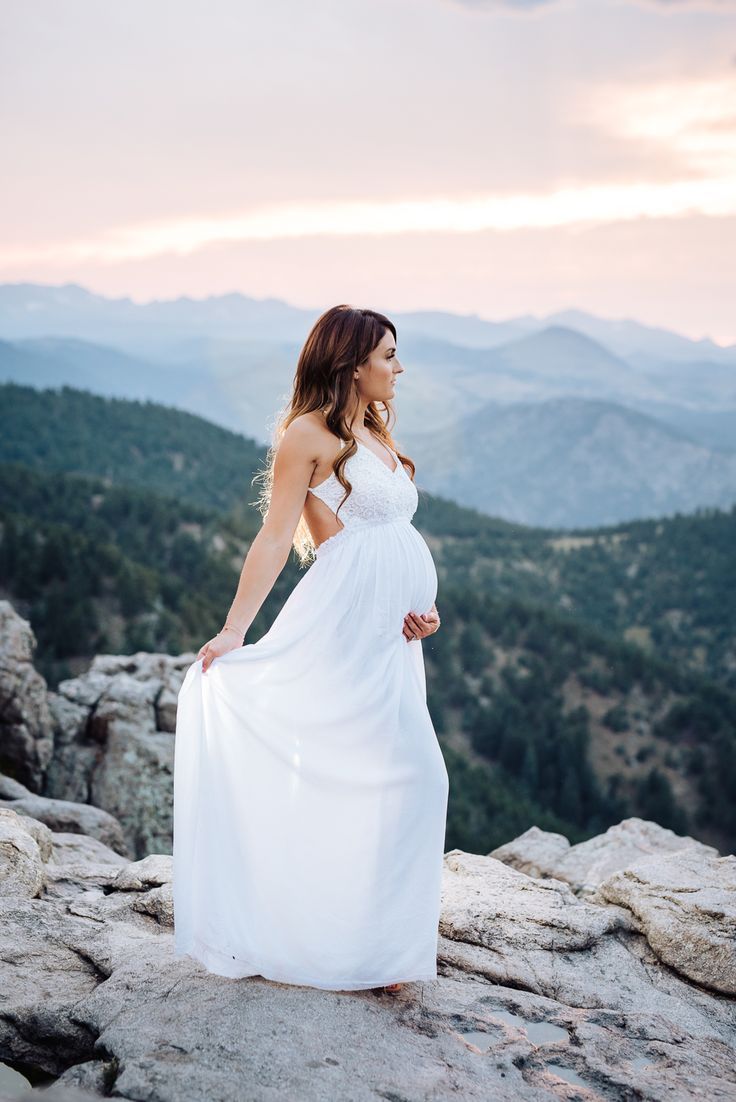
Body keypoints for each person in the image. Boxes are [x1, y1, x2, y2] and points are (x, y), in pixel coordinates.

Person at [173, 304, 449, 994]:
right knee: (394, 776)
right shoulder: (308, 432)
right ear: (351, 362)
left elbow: (393, 540)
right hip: (343, 626)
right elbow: (275, 536)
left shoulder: (374, 428)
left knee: (398, 781)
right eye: (388, 355)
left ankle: (375, 949)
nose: (398, 367)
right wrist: (236, 630)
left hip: (392, 639)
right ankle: (346, 944)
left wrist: (425, 611)